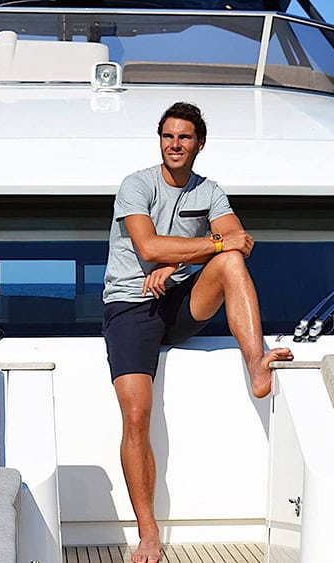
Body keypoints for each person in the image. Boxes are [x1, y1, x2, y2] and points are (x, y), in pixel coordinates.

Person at [102, 101, 294, 563]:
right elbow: (148, 246)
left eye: (184, 137)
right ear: (160, 140)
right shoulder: (136, 185)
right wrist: (191, 250)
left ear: (199, 144)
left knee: (231, 263)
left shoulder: (210, 191)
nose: (175, 144)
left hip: (178, 301)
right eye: (168, 136)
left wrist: (176, 264)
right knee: (136, 416)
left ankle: (256, 362)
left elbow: (239, 242)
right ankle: (148, 533)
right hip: (130, 305)